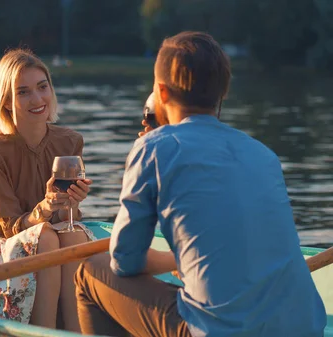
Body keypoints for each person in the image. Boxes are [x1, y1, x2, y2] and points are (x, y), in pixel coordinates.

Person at [74, 31, 326, 337]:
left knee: (91, 272)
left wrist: (172, 260)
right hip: (306, 327)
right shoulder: (264, 154)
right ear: (223, 92)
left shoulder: (152, 148)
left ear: (162, 94)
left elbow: (124, 262)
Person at [0, 48, 96, 332]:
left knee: (73, 236)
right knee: (45, 237)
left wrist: (71, 202)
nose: (37, 99)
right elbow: (11, 226)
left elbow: (68, 217)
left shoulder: (70, 142)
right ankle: (42, 330)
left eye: (42, 87)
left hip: (52, 235)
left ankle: (75, 330)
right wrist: (46, 207)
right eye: (23, 92)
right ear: (7, 102)